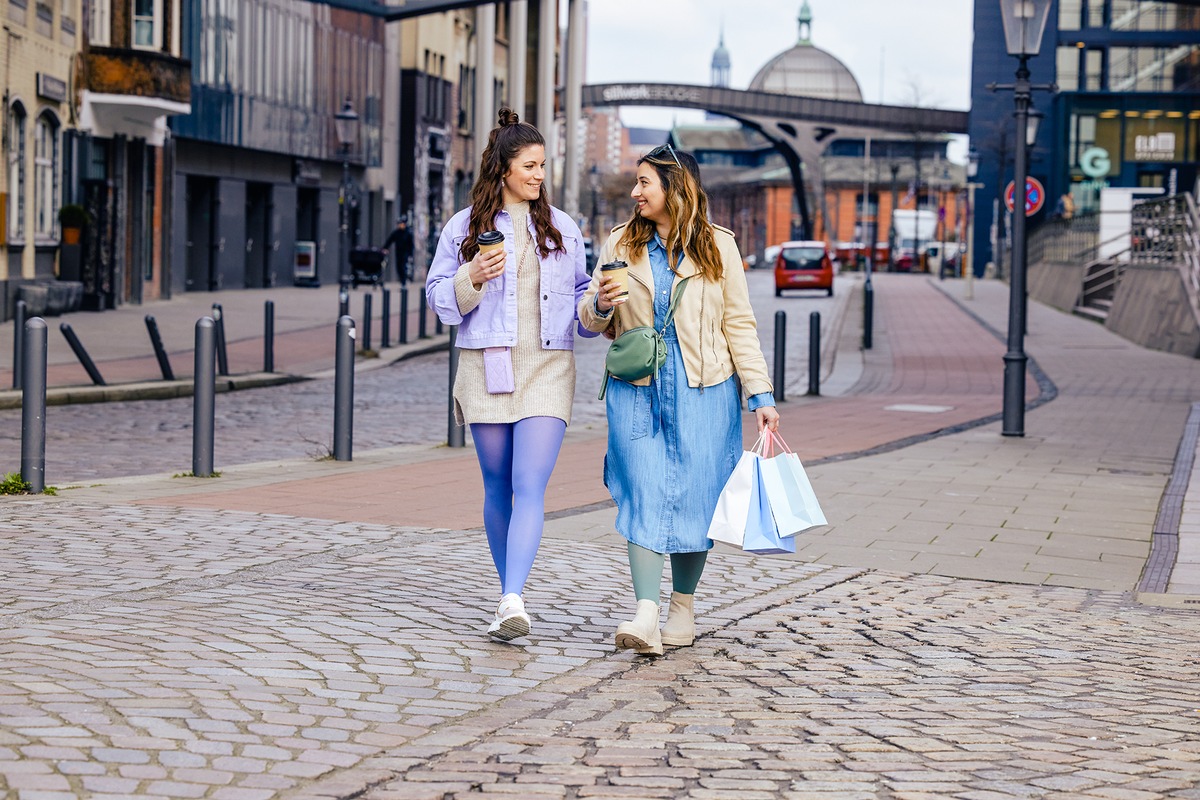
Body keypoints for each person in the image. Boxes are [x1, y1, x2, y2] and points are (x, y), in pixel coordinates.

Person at [579, 143, 780, 656]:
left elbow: (739, 324)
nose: (635, 192)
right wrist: (599, 304)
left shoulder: (720, 247)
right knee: (643, 489)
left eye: (645, 181)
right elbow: (590, 319)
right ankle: (645, 612)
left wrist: (760, 393)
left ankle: (682, 610)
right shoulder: (620, 243)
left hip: (704, 389)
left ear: (675, 187)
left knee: (696, 498)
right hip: (636, 388)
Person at [426, 107, 594, 642]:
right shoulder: (464, 227)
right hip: (486, 366)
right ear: (503, 169)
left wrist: (602, 306)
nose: (539, 175)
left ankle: (513, 596)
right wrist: (471, 276)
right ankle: (509, 599)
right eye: (529, 165)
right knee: (497, 486)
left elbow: (582, 307)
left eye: (543, 165)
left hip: (548, 367)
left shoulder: (563, 227)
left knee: (530, 483)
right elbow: (439, 300)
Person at [382, 218, 415, 283]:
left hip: (405, 253)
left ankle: (404, 282)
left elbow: (411, 245)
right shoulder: (396, 233)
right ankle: (402, 280)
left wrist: (411, 254)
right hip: (398, 253)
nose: (401, 225)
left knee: (403, 267)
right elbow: (390, 240)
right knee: (399, 267)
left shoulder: (408, 233)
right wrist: (385, 248)